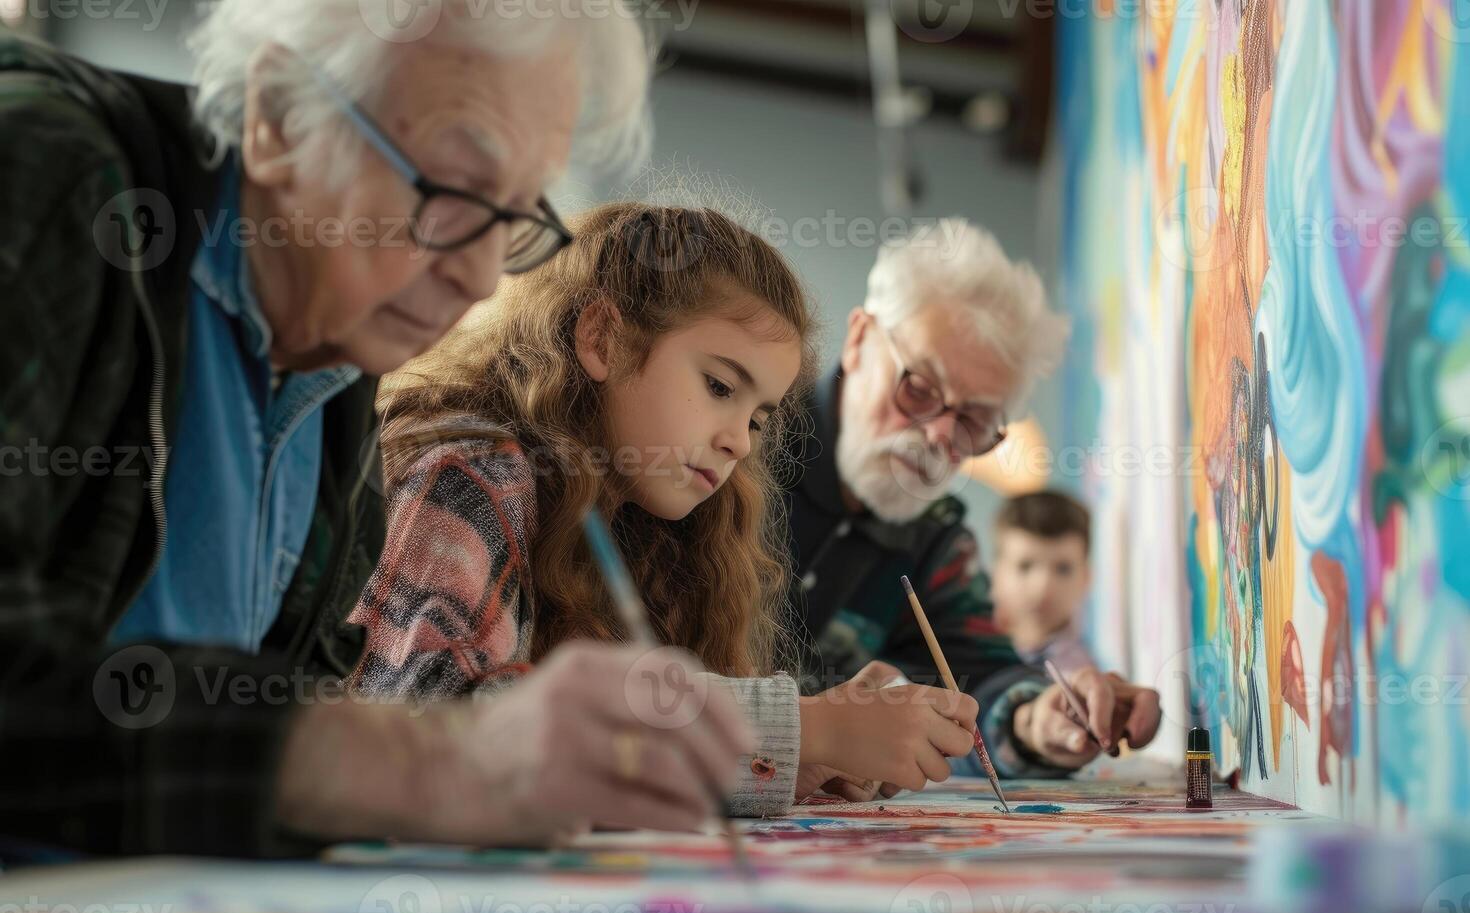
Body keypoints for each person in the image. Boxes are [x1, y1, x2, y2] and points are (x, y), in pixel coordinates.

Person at [0, 1, 751, 857]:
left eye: (513, 218)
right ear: (279, 117)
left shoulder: (335, 346)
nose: (475, 277)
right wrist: (421, 765)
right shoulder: (43, 174)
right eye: (451, 194)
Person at [349, 203, 984, 818]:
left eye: (759, 418)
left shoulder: (639, 524)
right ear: (603, 338)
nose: (740, 440)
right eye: (720, 387)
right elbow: (424, 729)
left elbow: (589, 771)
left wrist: (794, 757)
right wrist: (809, 726)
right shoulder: (471, 476)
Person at [784, 219, 1161, 786]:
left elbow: (976, 681)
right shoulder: (732, 450)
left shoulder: (935, 536)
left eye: (974, 420)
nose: (939, 436)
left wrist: (1038, 722)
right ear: (859, 340)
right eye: (918, 388)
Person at [991, 490, 1098, 680]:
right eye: (1025, 566)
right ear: (997, 574)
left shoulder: (1084, 677)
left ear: (1086, 578)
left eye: (1063, 569)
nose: (1042, 589)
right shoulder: (963, 648)